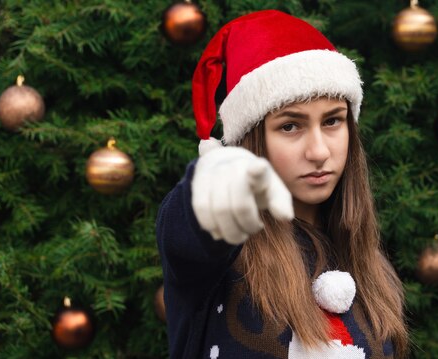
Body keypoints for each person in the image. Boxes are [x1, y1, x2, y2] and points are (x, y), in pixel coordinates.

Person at [156, 9, 409, 359]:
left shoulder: (366, 263)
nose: (319, 151)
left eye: (333, 121)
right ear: (250, 141)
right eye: (290, 126)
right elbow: (192, 222)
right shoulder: (222, 254)